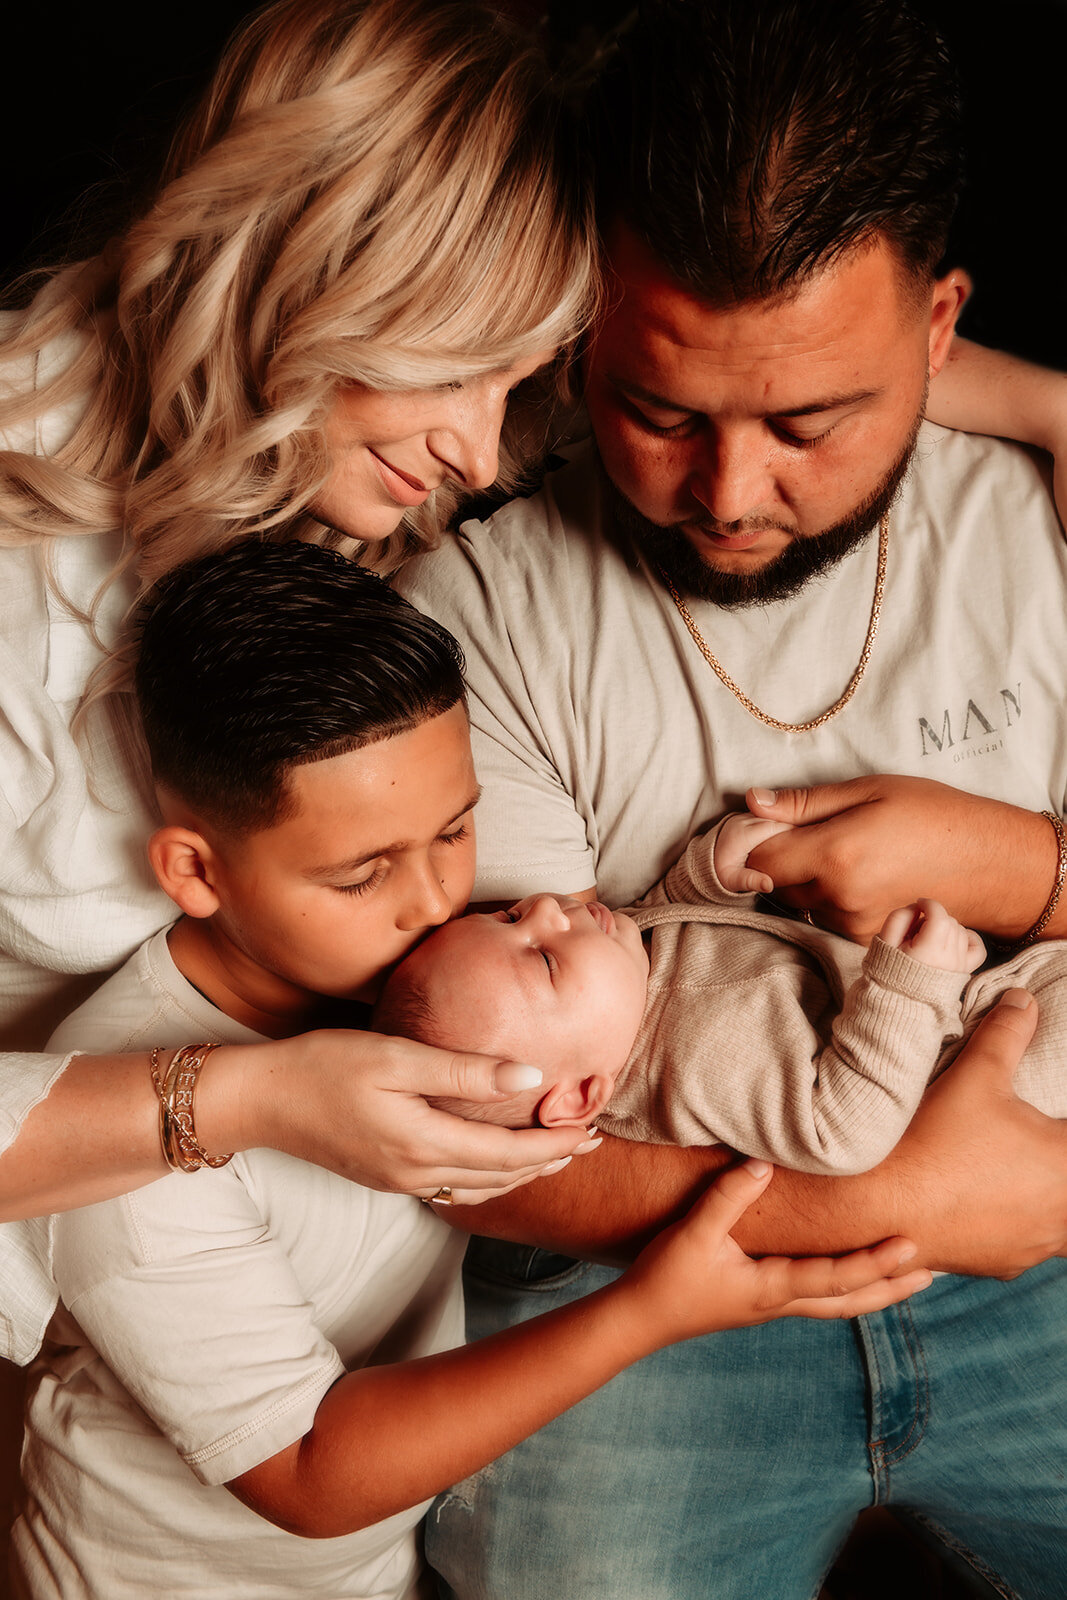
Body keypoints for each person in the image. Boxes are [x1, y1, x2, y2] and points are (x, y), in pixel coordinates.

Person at [395, 1, 1067, 1594]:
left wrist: (1019, 864)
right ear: (577, 339)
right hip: (641, 1282)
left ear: (937, 327)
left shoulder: (1036, 519)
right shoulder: (474, 603)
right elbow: (473, 1125)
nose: (729, 494)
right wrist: (895, 1191)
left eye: (807, 422)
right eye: (660, 412)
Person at [12, 539, 930, 1600]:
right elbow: (310, 1474)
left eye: (453, 831)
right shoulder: (119, 1138)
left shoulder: (449, 981)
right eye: (361, 874)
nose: (434, 899)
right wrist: (651, 1310)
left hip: (390, 1559)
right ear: (197, 870)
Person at [0, 0, 607, 1377]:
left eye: (513, 380)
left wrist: (1039, 407)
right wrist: (256, 1101)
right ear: (304, 262)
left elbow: (763, 350)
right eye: (450, 369)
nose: (475, 452)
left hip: (317, 1305)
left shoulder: (333, 470)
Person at [375, 815, 1065, 1173]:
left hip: (982, 992)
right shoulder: (693, 1066)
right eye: (546, 961)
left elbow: (673, 925)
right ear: (584, 1096)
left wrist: (706, 878)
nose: (545, 910)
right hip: (964, 1065)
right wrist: (912, 987)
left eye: (508, 918)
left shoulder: (619, 973)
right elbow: (841, 1134)